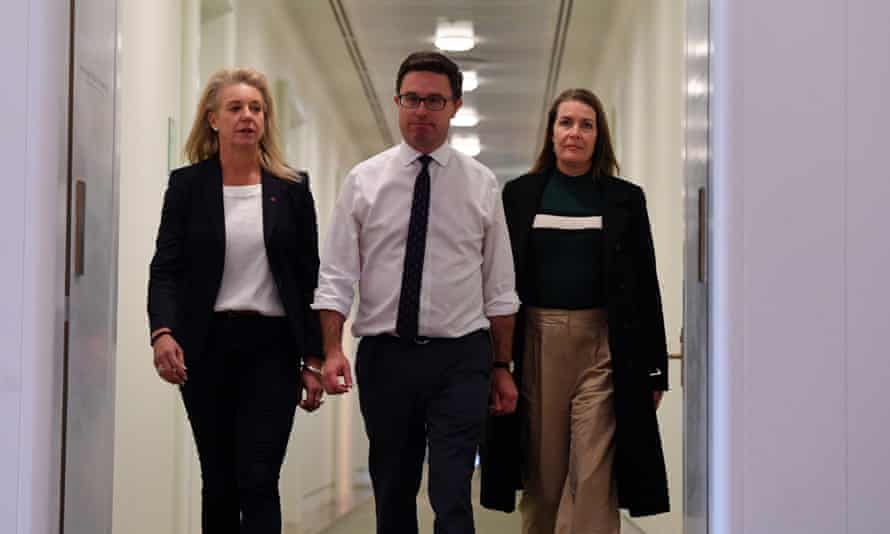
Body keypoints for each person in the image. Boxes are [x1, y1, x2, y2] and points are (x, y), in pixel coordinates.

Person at [312, 51, 520, 534]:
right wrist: (330, 349)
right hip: (386, 357)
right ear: (396, 102)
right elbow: (338, 275)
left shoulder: (482, 185)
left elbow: (500, 288)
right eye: (412, 99)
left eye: (433, 100)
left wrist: (502, 367)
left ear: (455, 106)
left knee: (451, 493)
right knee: (393, 488)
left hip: (461, 357)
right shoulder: (363, 181)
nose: (421, 110)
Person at [480, 88, 670, 533]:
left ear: (599, 136)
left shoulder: (625, 199)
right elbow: (498, 282)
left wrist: (654, 369)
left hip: (604, 348)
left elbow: (645, 285)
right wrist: (496, 361)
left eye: (586, 125)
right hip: (538, 345)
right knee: (545, 480)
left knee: (593, 474)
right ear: (550, 133)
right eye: (566, 123)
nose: (575, 133)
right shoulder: (521, 195)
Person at [147, 67, 325, 534]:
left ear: (265, 119)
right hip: (207, 346)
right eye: (236, 108)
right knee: (220, 480)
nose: (247, 116)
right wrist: (162, 332)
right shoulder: (187, 186)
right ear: (213, 119)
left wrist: (313, 358)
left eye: (256, 108)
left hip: (271, 348)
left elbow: (310, 279)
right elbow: (165, 268)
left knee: (259, 478)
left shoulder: (291, 189)